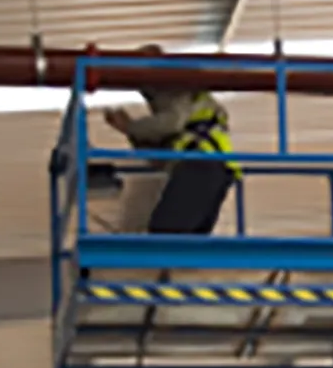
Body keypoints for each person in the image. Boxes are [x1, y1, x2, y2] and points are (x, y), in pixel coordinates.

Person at [102, 44, 240, 234]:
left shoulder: (175, 87)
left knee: (165, 233)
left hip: (200, 164)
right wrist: (130, 131)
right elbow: (158, 158)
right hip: (214, 169)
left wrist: (130, 126)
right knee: (185, 240)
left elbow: (172, 122)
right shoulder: (179, 104)